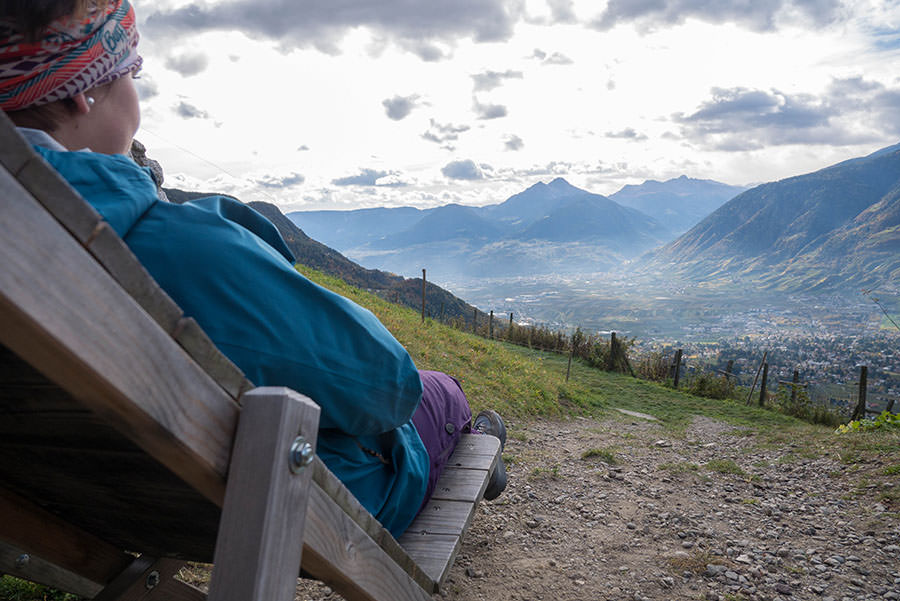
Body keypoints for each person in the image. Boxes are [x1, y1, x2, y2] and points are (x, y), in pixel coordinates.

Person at [0, 0, 506, 537]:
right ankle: (475, 442)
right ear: (85, 90)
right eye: (132, 71)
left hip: (82, 503)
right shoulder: (178, 248)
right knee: (439, 391)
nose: (136, 91)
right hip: (271, 505)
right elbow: (388, 387)